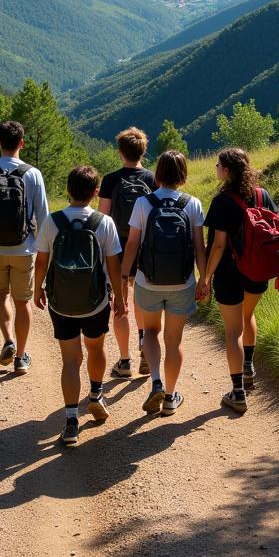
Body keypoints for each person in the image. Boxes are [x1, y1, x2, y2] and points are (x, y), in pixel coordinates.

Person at [34, 165, 126, 447]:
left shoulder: (52, 221)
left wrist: (37, 288)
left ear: (67, 189)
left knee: (70, 360)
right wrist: (120, 299)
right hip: (95, 302)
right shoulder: (104, 223)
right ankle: (96, 394)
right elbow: (114, 266)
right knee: (96, 348)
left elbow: (41, 261)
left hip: (61, 303)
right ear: (96, 192)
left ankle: (71, 421)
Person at [120, 150, 207, 417]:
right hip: (182, 283)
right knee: (174, 340)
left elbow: (133, 244)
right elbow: (199, 246)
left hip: (148, 281)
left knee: (151, 333)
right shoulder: (192, 204)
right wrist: (205, 279)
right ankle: (170, 397)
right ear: (183, 173)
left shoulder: (144, 203)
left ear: (157, 174)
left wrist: (124, 278)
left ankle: (155, 379)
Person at [199, 147, 279, 414]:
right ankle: (248, 369)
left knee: (232, 331)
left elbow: (219, 246)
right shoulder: (262, 194)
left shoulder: (222, 201)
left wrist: (206, 277)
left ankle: (237, 392)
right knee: (248, 315)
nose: (216, 169)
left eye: (218, 165)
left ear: (228, 171)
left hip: (230, 273)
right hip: (258, 271)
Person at [0, 120, 48, 373]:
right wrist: (41, 247)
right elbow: (43, 216)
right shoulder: (33, 174)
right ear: (22, 143)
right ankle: (22, 357)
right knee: (23, 302)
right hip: (24, 247)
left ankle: (8, 340)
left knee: (0, 295)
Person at [98, 127, 157, 379]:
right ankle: (145, 347)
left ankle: (125, 361)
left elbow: (102, 219)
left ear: (121, 152)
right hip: (145, 246)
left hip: (118, 249)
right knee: (141, 298)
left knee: (120, 306)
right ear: (143, 151)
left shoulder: (111, 180)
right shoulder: (152, 179)